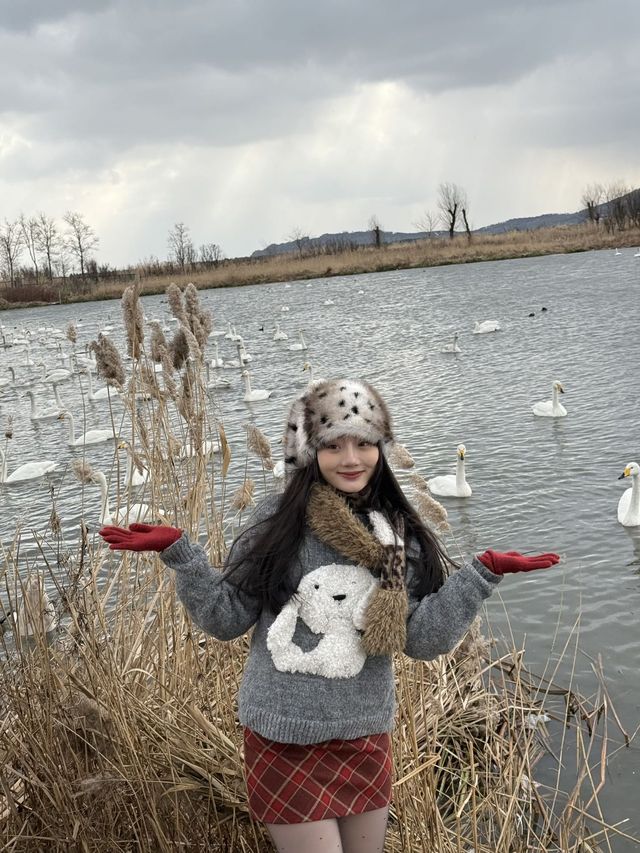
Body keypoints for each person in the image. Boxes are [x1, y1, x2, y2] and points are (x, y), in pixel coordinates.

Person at [99, 378, 559, 853]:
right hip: (282, 738)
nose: (351, 459)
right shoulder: (276, 523)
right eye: (333, 445)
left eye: (364, 442)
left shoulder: (400, 536)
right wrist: (182, 555)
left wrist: (481, 575)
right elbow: (226, 617)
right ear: (307, 451)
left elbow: (421, 640)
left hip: (364, 736)